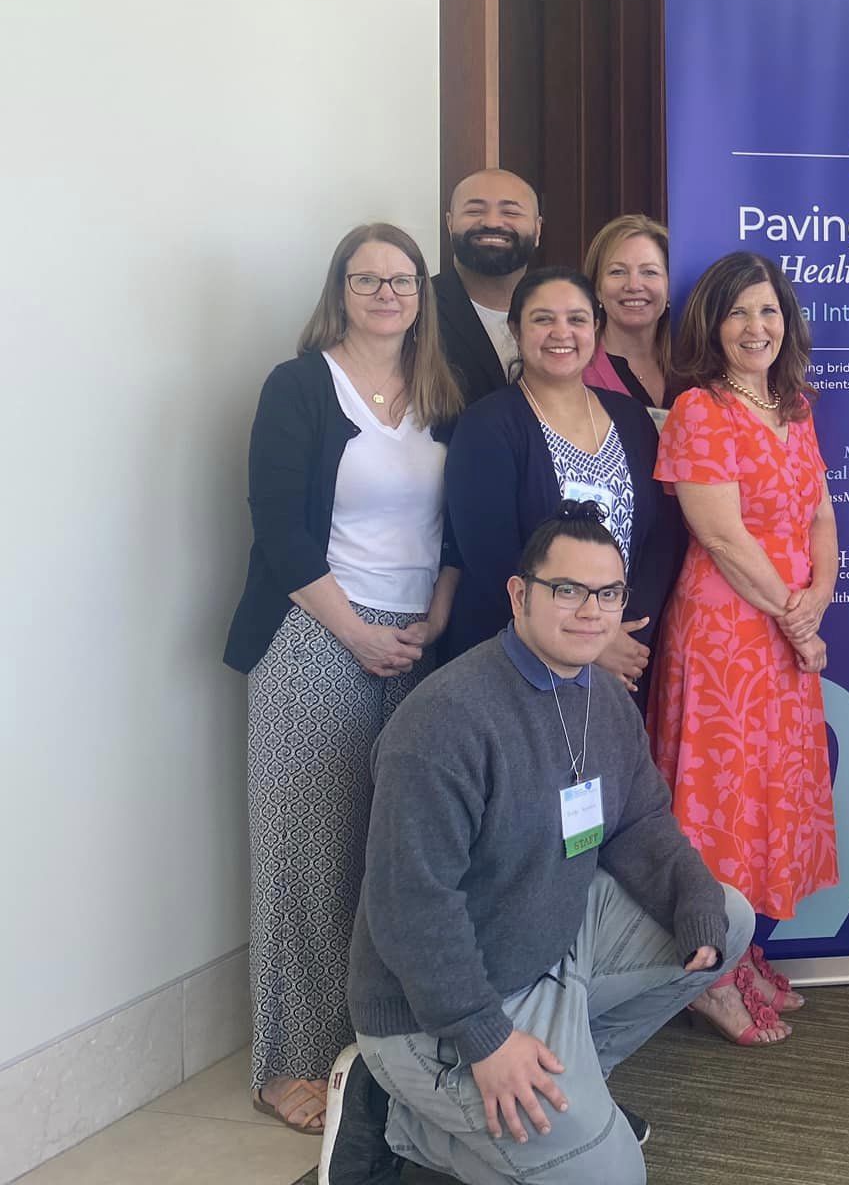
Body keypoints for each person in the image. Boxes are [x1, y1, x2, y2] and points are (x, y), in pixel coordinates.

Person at [322, 506, 759, 1185]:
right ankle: (394, 1117)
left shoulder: (603, 701)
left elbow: (641, 821)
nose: (591, 611)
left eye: (608, 593)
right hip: (437, 1011)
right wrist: (485, 1040)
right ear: (520, 594)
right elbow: (412, 907)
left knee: (724, 917)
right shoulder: (445, 721)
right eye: (568, 590)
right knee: (612, 1178)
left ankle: (577, 1082)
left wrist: (692, 896)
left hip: (549, 945)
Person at [223, 223, 465, 1136]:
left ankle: (372, 1049)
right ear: (341, 289)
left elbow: (465, 519)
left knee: (397, 856)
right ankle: (287, 1063)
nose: (387, 294)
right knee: (309, 854)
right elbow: (279, 528)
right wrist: (360, 633)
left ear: (420, 293)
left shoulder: (443, 391)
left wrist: (437, 615)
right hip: (316, 633)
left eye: (402, 279)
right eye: (367, 279)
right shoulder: (298, 387)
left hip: (420, 640)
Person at [646, 251, 837, 1037]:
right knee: (719, 799)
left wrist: (817, 600)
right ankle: (705, 974)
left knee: (765, 797)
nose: (755, 328)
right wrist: (798, 616)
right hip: (726, 635)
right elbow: (721, 536)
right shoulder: (700, 409)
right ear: (712, 326)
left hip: (788, 631)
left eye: (768, 311)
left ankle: (741, 948)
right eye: (737, 314)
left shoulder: (793, 405)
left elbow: (822, 513)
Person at [441, 267, 680, 702]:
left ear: (596, 328)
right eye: (542, 319)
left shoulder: (630, 418)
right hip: (516, 663)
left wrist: (622, 630)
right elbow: (490, 555)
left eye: (576, 319)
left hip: (620, 662)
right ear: (515, 330)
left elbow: (661, 536)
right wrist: (591, 639)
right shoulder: (487, 424)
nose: (560, 332)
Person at [433, 168, 544, 404]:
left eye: (511, 212)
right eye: (474, 211)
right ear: (450, 223)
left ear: (538, 230)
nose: (492, 222)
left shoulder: (565, 313)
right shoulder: (416, 308)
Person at [582, 213, 679, 417]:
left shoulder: (693, 368)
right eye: (617, 272)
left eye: (649, 272)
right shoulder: (578, 371)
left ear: (670, 288)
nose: (634, 285)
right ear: (597, 288)